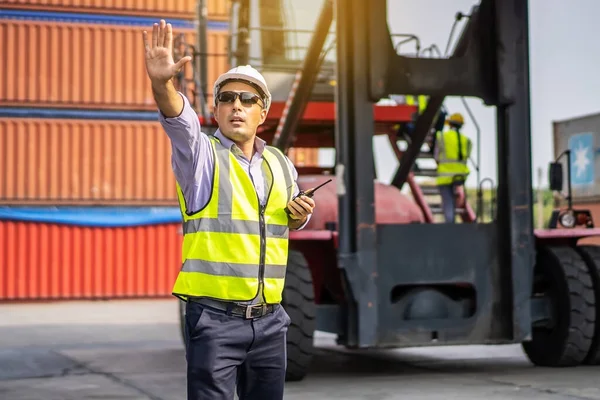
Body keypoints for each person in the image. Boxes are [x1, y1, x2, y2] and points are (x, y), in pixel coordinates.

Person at [142, 20, 315, 400]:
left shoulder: (282, 164)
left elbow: (285, 220)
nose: (237, 106)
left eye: (248, 99)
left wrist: (301, 215)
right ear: (217, 110)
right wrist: (161, 84)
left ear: (263, 112)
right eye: (228, 98)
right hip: (214, 321)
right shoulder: (201, 157)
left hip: (271, 321)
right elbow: (180, 122)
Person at [434, 112, 472, 223]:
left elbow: (437, 156)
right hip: (460, 176)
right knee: (457, 200)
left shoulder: (441, 137)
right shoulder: (467, 140)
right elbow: (467, 157)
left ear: (449, 124)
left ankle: (450, 224)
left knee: (447, 201)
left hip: (444, 176)